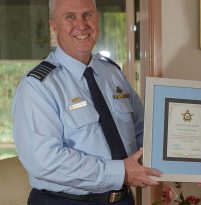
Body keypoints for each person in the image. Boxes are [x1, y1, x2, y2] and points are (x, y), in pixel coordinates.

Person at [12, 0, 160, 204]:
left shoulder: (112, 73)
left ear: (97, 19)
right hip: (64, 201)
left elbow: (142, 130)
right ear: (53, 25)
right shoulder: (38, 85)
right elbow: (44, 160)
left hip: (122, 199)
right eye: (70, 17)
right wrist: (119, 172)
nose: (82, 25)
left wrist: (178, 154)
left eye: (88, 15)